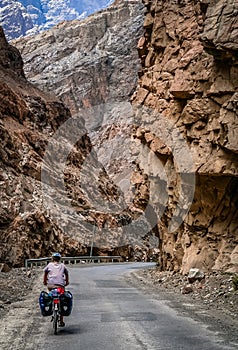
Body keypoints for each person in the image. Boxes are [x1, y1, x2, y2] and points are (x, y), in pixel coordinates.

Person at [43, 252, 69, 327]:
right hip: (60, 286)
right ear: (59, 259)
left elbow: (45, 273)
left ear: (52, 259)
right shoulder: (62, 265)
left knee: (51, 295)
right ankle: (61, 321)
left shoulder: (49, 265)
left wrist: (45, 281)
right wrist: (66, 282)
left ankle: (51, 307)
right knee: (61, 299)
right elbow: (66, 274)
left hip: (50, 286)